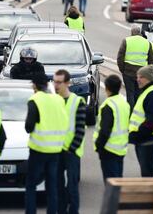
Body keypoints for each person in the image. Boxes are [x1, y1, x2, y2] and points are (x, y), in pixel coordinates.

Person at [25, 73, 69, 214]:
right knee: (52, 185)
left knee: (31, 184)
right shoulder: (59, 100)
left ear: (35, 86)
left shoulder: (35, 99)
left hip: (39, 149)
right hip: (56, 149)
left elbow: (29, 126)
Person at [54, 70, 86, 214]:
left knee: (72, 186)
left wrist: (71, 149)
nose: (56, 85)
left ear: (67, 83)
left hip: (72, 151)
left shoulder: (77, 101)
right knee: (58, 186)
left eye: (59, 82)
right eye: (55, 81)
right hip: (56, 151)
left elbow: (80, 130)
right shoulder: (53, 102)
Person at [128, 66, 153, 177]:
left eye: (141, 77)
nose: (138, 80)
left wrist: (138, 134)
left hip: (148, 140)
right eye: (137, 77)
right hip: (145, 140)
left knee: (149, 175)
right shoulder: (148, 91)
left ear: (149, 78)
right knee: (147, 173)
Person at [94, 75, 130, 181]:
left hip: (109, 149)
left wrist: (99, 146)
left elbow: (105, 130)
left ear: (106, 88)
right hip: (121, 149)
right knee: (118, 181)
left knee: (111, 184)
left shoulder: (108, 105)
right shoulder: (124, 103)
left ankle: (113, 198)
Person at [117, 25, 153, 110]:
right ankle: (137, 113)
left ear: (132, 32)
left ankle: (130, 113)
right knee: (139, 94)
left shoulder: (126, 41)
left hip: (128, 72)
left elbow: (120, 57)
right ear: (140, 32)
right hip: (142, 74)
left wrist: (123, 70)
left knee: (130, 94)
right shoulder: (147, 42)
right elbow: (151, 60)